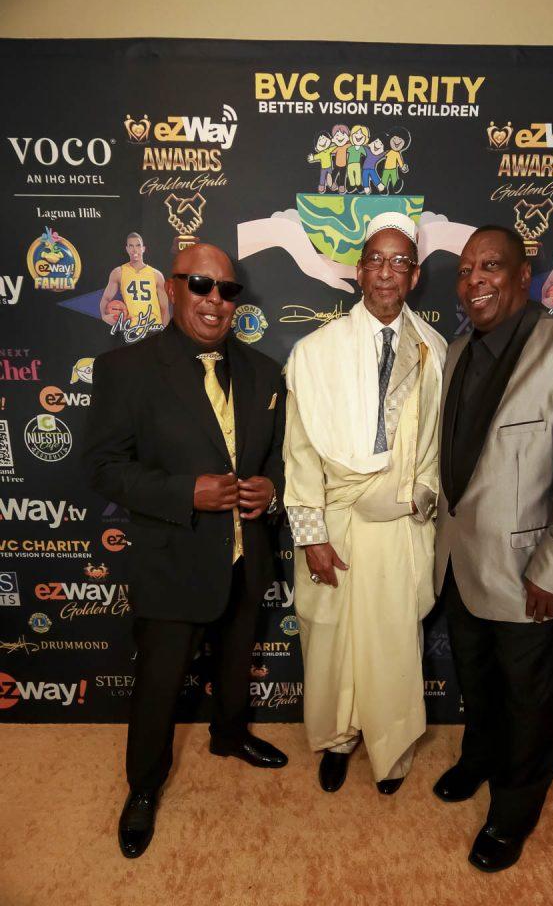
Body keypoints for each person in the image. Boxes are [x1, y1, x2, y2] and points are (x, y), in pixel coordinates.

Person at [84, 243, 287, 859]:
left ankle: (229, 733)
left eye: (227, 290)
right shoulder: (125, 369)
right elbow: (102, 467)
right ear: (172, 288)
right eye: (201, 285)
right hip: (172, 558)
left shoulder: (264, 371)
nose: (215, 300)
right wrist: (184, 492)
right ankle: (144, 786)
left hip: (246, 554)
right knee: (159, 684)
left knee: (236, 660)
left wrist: (273, 488)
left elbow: (281, 455)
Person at [434, 225, 553, 872]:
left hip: (534, 575)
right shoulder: (456, 352)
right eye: (465, 270)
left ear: (524, 275)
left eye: (490, 266)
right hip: (462, 563)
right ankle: (479, 758)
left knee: (531, 701)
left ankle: (513, 813)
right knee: (478, 683)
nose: (474, 280)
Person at [283, 211, 447, 794]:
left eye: (399, 262)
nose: (385, 272)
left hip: (400, 526)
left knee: (391, 645)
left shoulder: (433, 349)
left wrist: (418, 498)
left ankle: (391, 748)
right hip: (336, 521)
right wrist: (312, 536)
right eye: (375, 260)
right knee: (331, 641)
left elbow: (436, 446)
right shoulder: (316, 351)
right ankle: (337, 739)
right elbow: (300, 452)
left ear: (415, 275)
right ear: (358, 271)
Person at [99, 232, 170, 333]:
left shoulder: (156, 275)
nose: (135, 250)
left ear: (143, 248)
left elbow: (165, 308)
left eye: (138, 245)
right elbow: (106, 298)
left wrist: (165, 332)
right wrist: (104, 316)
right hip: (132, 330)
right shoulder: (118, 272)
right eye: (131, 246)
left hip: (154, 327)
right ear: (127, 249)